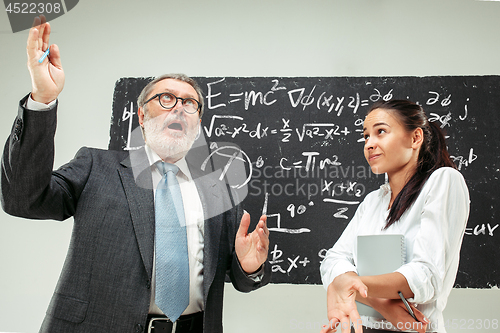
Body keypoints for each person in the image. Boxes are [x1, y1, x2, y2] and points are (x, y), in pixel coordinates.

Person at [1, 16, 271, 333]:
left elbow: (239, 281)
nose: (179, 108)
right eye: (166, 98)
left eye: (190, 103)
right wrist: (41, 101)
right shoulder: (95, 167)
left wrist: (248, 267)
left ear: (198, 122)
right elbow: (23, 200)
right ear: (142, 115)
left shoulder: (220, 191)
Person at [319, 100, 470, 333]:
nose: (369, 144)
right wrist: (382, 304)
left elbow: (426, 276)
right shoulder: (372, 202)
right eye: (366, 136)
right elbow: (332, 261)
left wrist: (346, 285)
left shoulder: (443, 181)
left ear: (415, 138)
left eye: (381, 132)